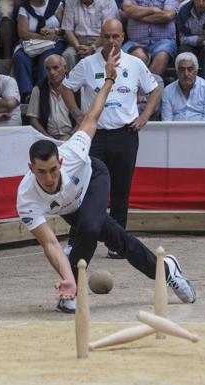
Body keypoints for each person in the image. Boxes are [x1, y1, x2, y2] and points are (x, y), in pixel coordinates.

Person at [17, 47, 196, 313]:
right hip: (72, 205)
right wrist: (65, 275)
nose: (49, 177)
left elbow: (91, 117)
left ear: (61, 163)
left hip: (94, 178)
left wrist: (109, 80)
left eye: (53, 170)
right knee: (117, 238)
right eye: (41, 172)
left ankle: (73, 291)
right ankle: (166, 269)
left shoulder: (75, 152)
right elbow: (51, 244)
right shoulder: (26, 197)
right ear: (31, 169)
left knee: (89, 227)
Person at [62, 18, 161, 259]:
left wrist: (145, 115)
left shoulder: (135, 64)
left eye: (116, 36)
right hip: (94, 135)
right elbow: (66, 87)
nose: (111, 41)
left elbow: (155, 89)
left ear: (123, 37)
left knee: (121, 189)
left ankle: (117, 243)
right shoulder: (87, 64)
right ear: (100, 37)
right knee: (85, 188)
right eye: (107, 36)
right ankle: (76, 239)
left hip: (125, 134)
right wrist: (77, 116)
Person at [13, 0, 68, 102]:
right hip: (31, 43)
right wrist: (42, 37)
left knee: (47, 59)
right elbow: (23, 33)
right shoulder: (24, 8)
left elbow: (65, 27)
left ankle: (43, 93)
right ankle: (27, 94)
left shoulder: (56, 4)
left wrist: (54, 31)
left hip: (54, 43)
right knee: (20, 57)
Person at [121, 0, 178, 76]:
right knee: (123, 57)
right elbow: (128, 9)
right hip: (135, 42)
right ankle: (133, 86)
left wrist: (138, 15)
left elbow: (167, 15)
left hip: (163, 42)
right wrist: (154, 10)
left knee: (162, 56)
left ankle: (150, 86)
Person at [61, 0, 119, 70]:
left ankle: (101, 80)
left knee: (100, 55)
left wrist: (92, 48)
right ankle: (69, 80)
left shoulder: (107, 1)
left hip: (101, 42)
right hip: (77, 41)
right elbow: (68, 30)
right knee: (67, 55)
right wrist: (78, 47)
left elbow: (107, 31)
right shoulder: (71, 1)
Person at [27, 54, 74, 139]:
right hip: (47, 137)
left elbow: (84, 117)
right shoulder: (38, 89)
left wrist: (71, 135)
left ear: (65, 68)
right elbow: (33, 119)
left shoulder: (76, 87)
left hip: (73, 137)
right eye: (48, 69)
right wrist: (46, 137)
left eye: (55, 68)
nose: (52, 72)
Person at [161, 52, 205, 121]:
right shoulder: (168, 91)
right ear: (177, 72)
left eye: (190, 69)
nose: (186, 74)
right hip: (176, 131)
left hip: (202, 130)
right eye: (182, 70)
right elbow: (167, 121)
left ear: (196, 71)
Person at [127, 46, 163, 120]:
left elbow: (155, 107)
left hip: (150, 124)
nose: (138, 66)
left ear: (147, 63)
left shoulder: (156, 80)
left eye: (142, 62)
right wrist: (145, 99)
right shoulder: (119, 79)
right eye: (134, 61)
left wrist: (137, 100)